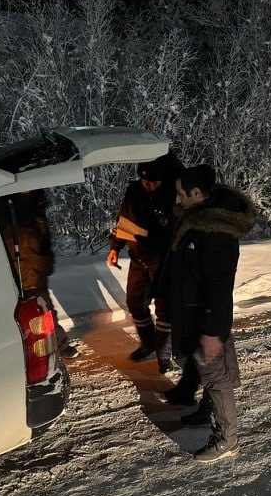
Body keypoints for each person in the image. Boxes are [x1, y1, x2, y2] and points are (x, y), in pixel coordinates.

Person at [163, 164, 256, 462]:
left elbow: (218, 286)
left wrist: (213, 331)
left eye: (180, 194)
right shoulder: (198, 218)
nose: (176, 199)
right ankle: (207, 412)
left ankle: (228, 439)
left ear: (196, 193)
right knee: (211, 374)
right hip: (197, 315)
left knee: (215, 378)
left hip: (205, 319)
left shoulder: (214, 233)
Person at [107, 153, 183, 373]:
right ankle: (149, 343)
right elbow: (123, 220)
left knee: (164, 310)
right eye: (144, 180)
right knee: (135, 304)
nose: (147, 185)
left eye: (151, 182)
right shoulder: (134, 191)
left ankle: (164, 355)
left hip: (163, 261)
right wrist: (115, 247)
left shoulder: (173, 195)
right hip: (138, 259)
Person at [0, 190, 79, 359]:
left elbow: (43, 238)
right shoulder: (0, 203)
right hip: (11, 270)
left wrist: (46, 262)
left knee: (45, 312)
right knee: (14, 315)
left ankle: (59, 344)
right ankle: (23, 352)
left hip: (35, 268)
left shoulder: (36, 202)